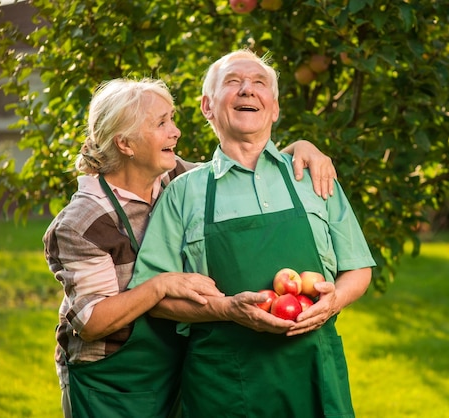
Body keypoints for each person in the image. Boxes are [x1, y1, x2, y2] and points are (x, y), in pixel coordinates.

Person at [42, 77, 338, 418]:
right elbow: (91, 322)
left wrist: (300, 148)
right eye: (162, 123)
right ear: (125, 143)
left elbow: (241, 173)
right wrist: (161, 285)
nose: (176, 132)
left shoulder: (176, 179)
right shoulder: (84, 222)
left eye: (173, 119)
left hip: (173, 362)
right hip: (111, 381)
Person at [133, 49, 375, 417]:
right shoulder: (183, 193)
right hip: (224, 383)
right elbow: (154, 297)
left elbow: (358, 268)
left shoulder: (315, 178)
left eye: (259, 83)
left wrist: (333, 302)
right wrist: (226, 309)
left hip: (313, 371)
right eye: (233, 82)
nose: (247, 90)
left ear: (274, 109)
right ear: (207, 107)